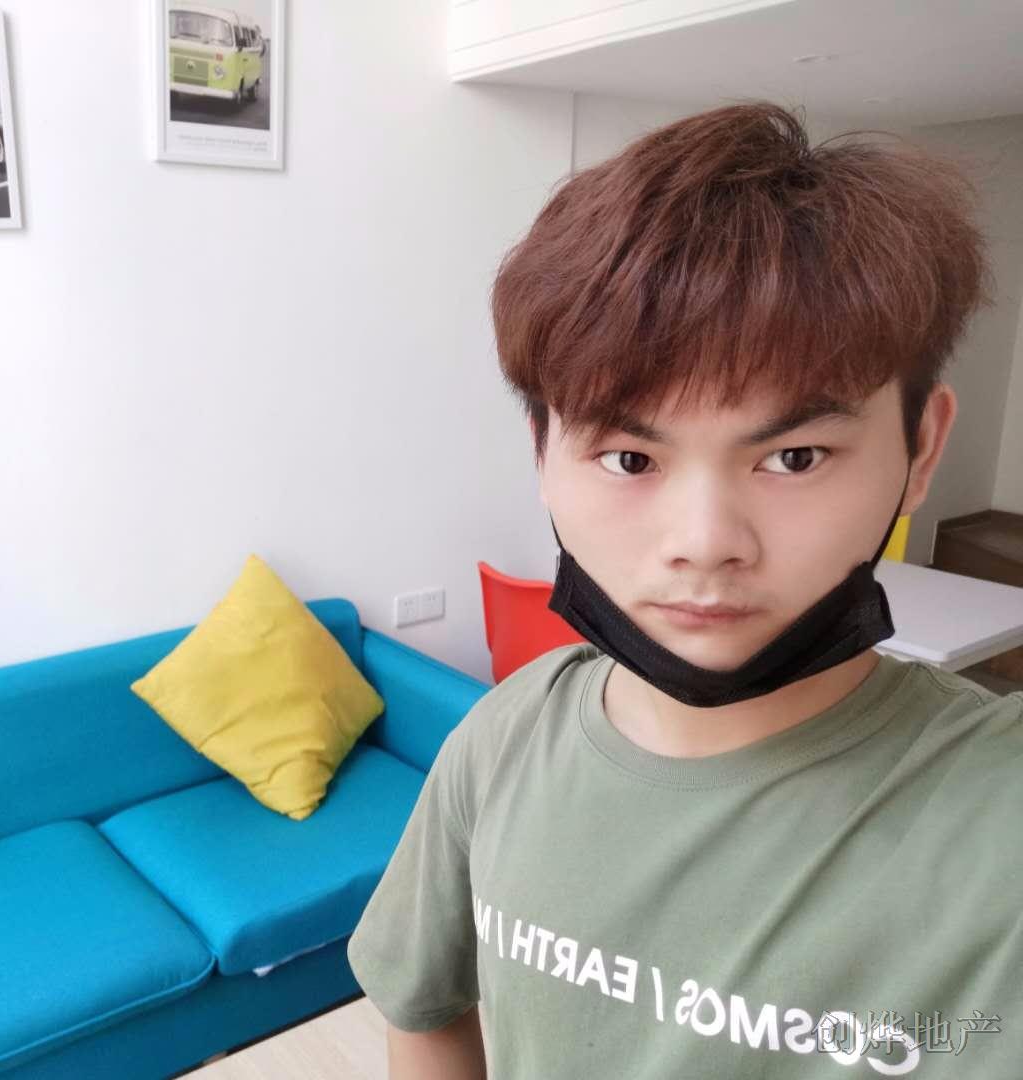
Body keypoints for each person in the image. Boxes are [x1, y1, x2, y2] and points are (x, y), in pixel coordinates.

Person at [346, 100, 1023, 1078]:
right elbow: (423, 1010)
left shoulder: (995, 819)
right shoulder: (499, 742)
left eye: (794, 457)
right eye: (629, 458)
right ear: (542, 454)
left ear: (921, 450)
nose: (705, 544)